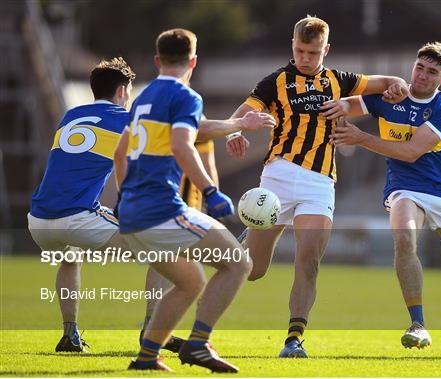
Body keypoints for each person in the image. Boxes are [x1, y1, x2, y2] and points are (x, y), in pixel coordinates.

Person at [226, 15, 408, 358]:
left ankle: (294, 339)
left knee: (308, 261)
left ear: (326, 49)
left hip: (319, 183)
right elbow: (246, 110)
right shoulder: (276, 80)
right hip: (277, 177)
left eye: (312, 52)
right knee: (253, 270)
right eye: (299, 51)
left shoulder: (340, 80)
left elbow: (383, 82)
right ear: (292, 46)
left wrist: (398, 81)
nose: (305, 58)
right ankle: (240, 244)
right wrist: (235, 131)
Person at [322, 41, 441, 360]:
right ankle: (418, 324)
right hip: (403, 187)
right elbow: (339, 106)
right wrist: (339, 119)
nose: (422, 75)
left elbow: (410, 153)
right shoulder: (389, 95)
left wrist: (360, 138)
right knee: (404, 237)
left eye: (432, 71)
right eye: (419, 67)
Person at [118, 28, 252, 372]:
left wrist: (125, 196)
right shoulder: (187, 97)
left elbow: (120, 152)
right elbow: (182, 145)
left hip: (131, 213)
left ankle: (146, 357)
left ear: (157, 60)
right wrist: (210, 190)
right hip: (161, 209)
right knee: (238, 263)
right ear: (194, 61)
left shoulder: (143, 98)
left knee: (190, 281)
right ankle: (198, 345)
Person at [113, 89, 275, 355]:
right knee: (234, 265)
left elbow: (207, 162)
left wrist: (211, 199)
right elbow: (197, 137)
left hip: (174, 206)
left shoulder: (149, 109)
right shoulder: (184, 114)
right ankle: (192, 340)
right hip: (175, 206)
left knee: (183, 273)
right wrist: (238, 126)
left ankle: (152, 343)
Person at [28, 57, 135, 352]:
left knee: (71, 257)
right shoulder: (125, 119)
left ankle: (70, 335)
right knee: (163, 248)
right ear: (123, 90)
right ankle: (155, 334)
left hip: (38, 221)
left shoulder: (71, 115)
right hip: (76, 218)